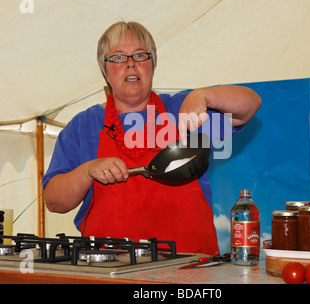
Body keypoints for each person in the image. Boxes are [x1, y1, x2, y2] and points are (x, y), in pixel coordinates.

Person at [43, 21, 261, 255]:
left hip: (191, 267)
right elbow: (55, 201)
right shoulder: (83, 126)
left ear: (152, 65)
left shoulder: (182, 109)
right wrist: (86, 171)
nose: (130, 64)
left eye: (140, 55)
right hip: (110, 268)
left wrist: (204, 95)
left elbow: (249, 105)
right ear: (105, 71)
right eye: (118, 57)